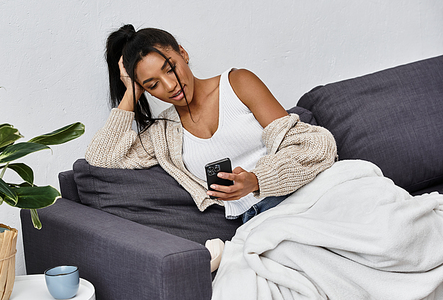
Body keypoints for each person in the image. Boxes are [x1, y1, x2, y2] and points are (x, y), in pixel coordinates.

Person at [85, 24, 337, 224]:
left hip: (306, 195)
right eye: (152, 84)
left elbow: (315, 145)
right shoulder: (163, 132)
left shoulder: (238, 84)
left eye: (170, 68)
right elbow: (102, 158)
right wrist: (131, 92)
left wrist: (257, 179)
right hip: (259, 221)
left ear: (182, 53)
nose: (170, 85)